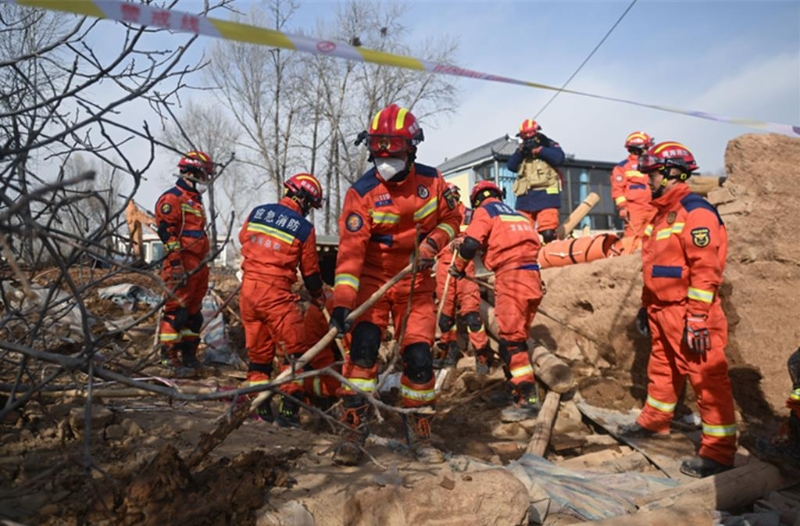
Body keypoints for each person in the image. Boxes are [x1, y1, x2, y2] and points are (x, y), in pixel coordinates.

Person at [329, 103, 461, 465]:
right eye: (378, 151)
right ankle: (354, 430)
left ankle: (419, 433)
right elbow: (351, 252)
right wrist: (343, 301)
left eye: (394, 151)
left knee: (419, 359)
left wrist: (431, 245)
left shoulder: (433, 183)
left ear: (412, 149)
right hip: (372, 284)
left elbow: (453, 219)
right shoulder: (362, 193)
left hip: (416, 284)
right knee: (363, 353)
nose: (385, 159)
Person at [618, 141, 737, 478]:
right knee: (663, 366)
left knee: (708, 379)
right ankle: (655, 422)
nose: (647, 180)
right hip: (662, 310)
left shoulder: (695, 211)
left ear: (673, 173)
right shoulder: (661, 215)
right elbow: (655, 266)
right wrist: (646, 307)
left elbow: (706, 270)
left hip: (690, 312)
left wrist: (697, 317)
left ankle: (719, 452)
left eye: (653, 173)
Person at [448, 180, 543, 422]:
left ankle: (528, 400)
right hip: (532, 276)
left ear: (476, 199)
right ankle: (515, 391)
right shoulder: (518, 215)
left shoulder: (485, 211)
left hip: (511, 278)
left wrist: (458, 267)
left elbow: (471, 243)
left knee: (512, 342)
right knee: (516, 337)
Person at [239, 173, 326, 427]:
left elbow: (243, 239)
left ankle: (261, 410)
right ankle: (288, 413)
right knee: (295, 353)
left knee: (259, 355)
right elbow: (310, 273)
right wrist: (319, 296)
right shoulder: (303, 228)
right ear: (305, 201)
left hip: (248, 294)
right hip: (275, 297)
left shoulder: (258, 213)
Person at [155, 150, 213, 375]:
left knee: (193, 314)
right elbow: (166, 233)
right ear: (192, 172)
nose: (206, 179)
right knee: (176, 312)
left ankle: (189, 356)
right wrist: (176, 263)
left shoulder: (195, 201)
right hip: (181, 264)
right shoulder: (172, 198)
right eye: (204, 174)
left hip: (198, 264)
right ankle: (168, 357)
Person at [434, 183, 492, 373]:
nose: (451, 200)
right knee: (445, 315)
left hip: (465, 266)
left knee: (471, 315)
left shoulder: (470, 214)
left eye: (454, 196)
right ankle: (448, 352)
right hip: (444, 265)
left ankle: (482, 354)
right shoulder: (435, 216)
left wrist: (463, 241)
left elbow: (479, 236)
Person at [506, 119, 566, 244]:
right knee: (521, 234)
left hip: (547, 195)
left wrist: (540, 151)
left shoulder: (549, 144)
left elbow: (559, 158)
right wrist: (520, 152)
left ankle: (549, 256)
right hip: (525, 197)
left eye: (531, 137)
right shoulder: (522, 152)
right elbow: (511, 166)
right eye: (524, 137)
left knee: (548, 232)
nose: (528, 141)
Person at [611, 131, 656, 248]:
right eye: (646, 147)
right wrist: (622, 207)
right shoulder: (622, 167)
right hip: (634, 210)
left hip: (654, 207)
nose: (648, 149)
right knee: (632, 239)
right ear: (638, 148)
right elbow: (618, 189)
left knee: (655, 237)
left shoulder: (653, 164)